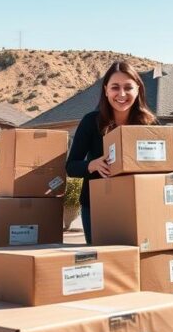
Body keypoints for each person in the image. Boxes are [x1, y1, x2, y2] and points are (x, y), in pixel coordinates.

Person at [65, 62, 158, 244]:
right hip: (97, 206)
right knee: (102, 262)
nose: (121, 94)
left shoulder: (150, 124)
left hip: (139, 205)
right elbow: (71, 166)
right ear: (106, 90)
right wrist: (92, 165)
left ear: (138, 89)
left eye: (128, 87)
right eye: (115, 87)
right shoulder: (91, 122)